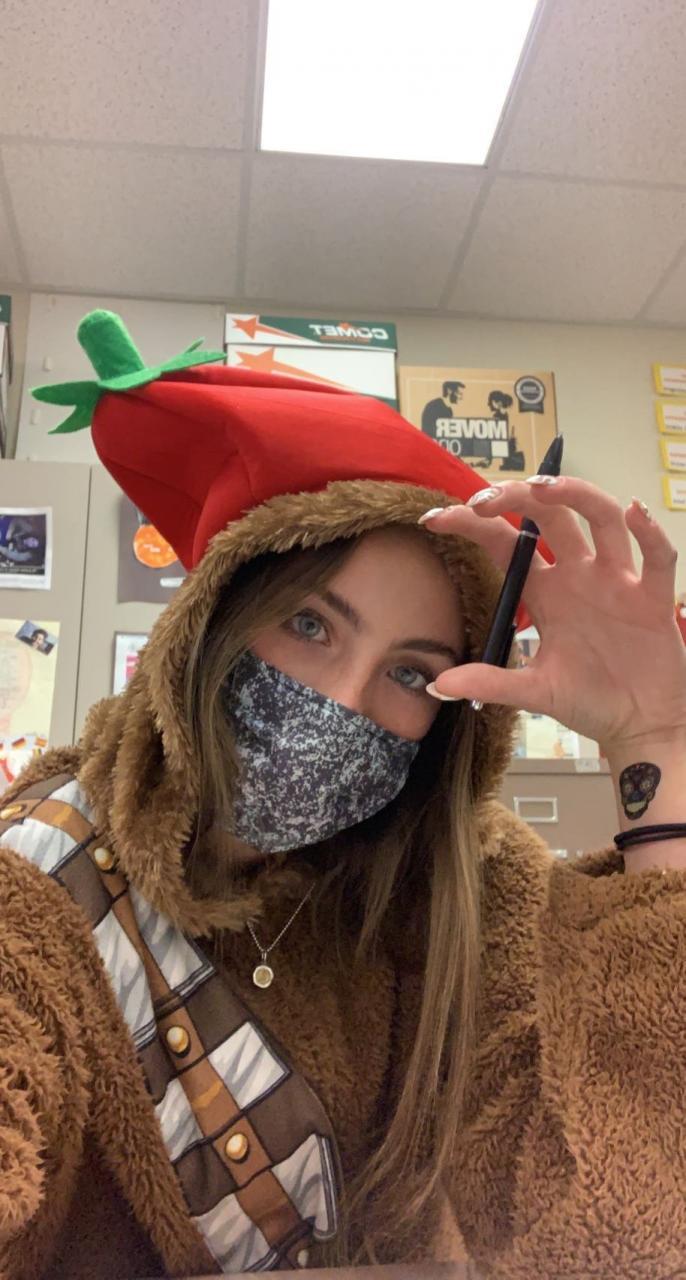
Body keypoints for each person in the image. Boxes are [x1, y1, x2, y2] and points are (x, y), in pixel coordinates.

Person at [2, 310, 686, 1280]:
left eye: (410, 673)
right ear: (212, 619)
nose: (342, 700)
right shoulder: (35, 883)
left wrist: (652, 743)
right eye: (310, 625)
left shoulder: (469, 885)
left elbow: (620, 1228)